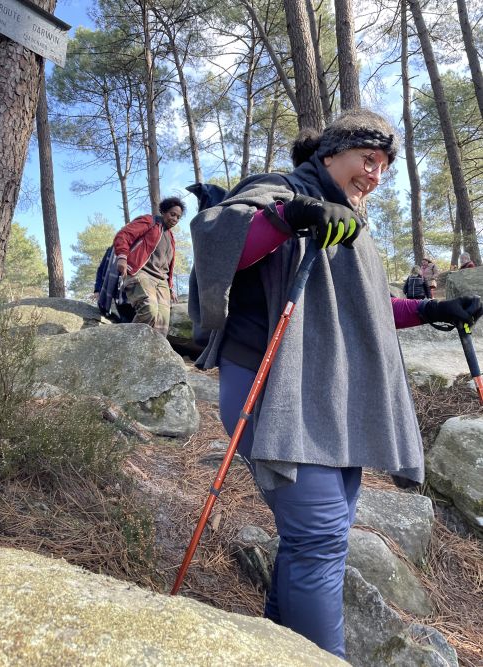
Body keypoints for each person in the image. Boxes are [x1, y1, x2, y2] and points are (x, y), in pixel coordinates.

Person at [188, 109, 483, 660]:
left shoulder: (351, 220)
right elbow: (220, 243)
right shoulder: (282, 190)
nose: (374, 175)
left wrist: (430, 308)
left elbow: (368, 306)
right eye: (367, 160)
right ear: (330, 154)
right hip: (271, 389)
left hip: (324, 397)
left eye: (383, 167)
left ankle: (280, 648)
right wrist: (289, 217)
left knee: (320, 537)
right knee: (320, 537)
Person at [113, 197, 185, 336]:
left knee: (162, 323)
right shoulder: (150, 221)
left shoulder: (171, 238)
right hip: (141, 272)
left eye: (178, 217)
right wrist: (122, 256)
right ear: (163, 212)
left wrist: (170, 288)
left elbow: (167, 265)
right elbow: (124, 235)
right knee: (149, 310)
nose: (175, 219)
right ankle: (126, 346)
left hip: (161, 281)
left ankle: (152, 355)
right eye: (172, 214)